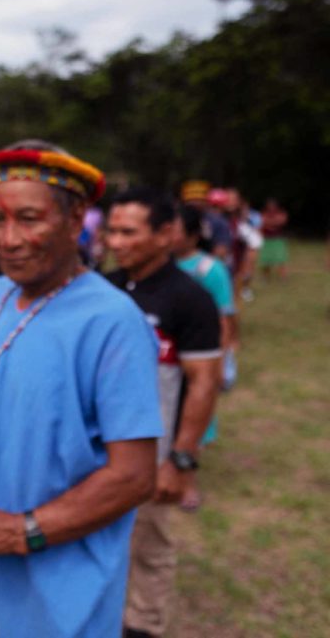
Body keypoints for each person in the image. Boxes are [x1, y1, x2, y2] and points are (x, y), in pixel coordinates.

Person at [0, 141, 162, 638]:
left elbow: (135, 475)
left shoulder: (112, 321)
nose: (8, 239)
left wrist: (23, 530)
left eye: (29, 219)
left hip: (64, 576)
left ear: (76, 218)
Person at [105, 188, 223, 638]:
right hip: (96, 451)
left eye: (129, 232)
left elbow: (204, 382)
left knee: (148, 546)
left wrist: (181, 459)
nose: (116, 242)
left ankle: (143, 625)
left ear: (165, 233)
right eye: (112, 230)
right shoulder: (105, 287)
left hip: (151, 455)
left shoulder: (189, 299)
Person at [171, 204, 237, 511]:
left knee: (193, 419)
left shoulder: (210, 270)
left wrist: (221, 360)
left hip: (198, 355)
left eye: (173, 229)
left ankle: (188, 485)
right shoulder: (159, 267)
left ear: (194, 235)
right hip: (167, 360)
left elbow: (224, 318)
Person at [181, 180, 232, 264]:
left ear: (206, 201)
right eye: (191, 200)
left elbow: (221, 250)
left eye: (198, 199)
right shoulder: (177, 221)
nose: (195, 203)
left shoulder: (218, 222)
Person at [259, 198, 289, 281]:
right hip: (266, 239)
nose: (271, 207)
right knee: (266, 259)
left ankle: (283, 277)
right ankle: (265, 276)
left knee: (281, 258)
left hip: (278, 239)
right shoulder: (264, 213)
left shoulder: (280, 212)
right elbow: (262, 222)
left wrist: (269, 223)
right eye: (269, 205)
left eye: (273, 205)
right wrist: (272, 222)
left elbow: (282, 221)